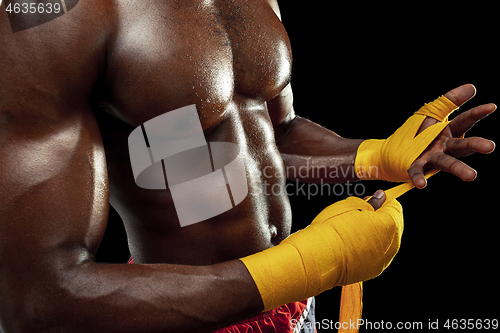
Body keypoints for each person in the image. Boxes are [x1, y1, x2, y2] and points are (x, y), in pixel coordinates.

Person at [0, 1, 495, 332]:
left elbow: (274, 136)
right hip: (184, 319)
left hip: (297, 307)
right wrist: (306, 266)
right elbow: (38, 298)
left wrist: (375, 154)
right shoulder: (52, 18)